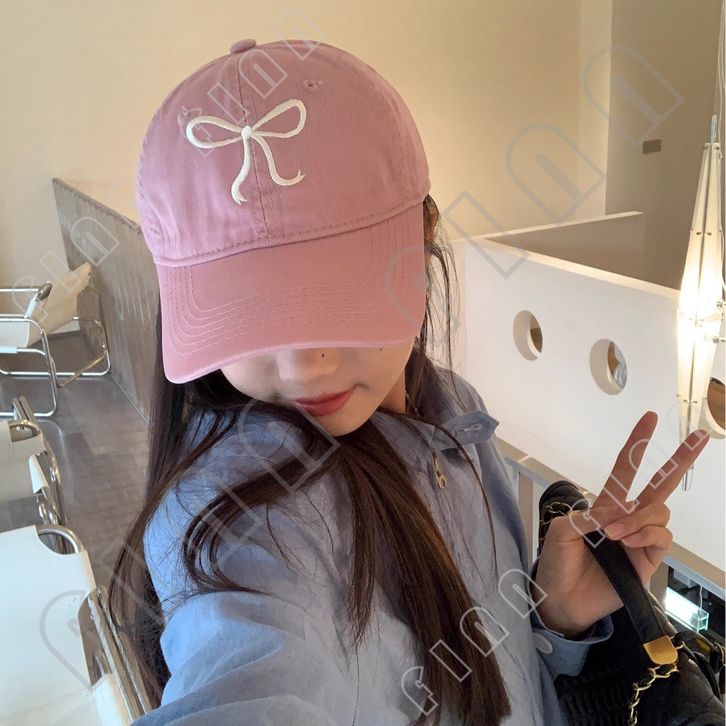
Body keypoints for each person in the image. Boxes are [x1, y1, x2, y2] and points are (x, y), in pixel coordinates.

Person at [109, 38, 711, 726]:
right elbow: (246, 675)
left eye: (339, 296)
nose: (305, 367)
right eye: (248, 315)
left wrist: (553, 619)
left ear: (424, 238)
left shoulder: (456, 409)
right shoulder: (241, 513)